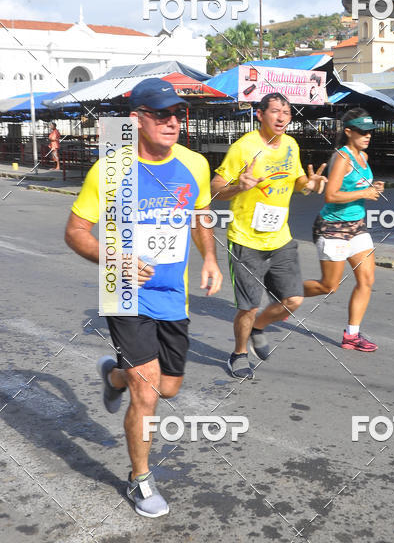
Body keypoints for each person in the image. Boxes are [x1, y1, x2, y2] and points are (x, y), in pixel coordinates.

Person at [64, 78, 222, 519]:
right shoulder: (110, 170)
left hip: (173, 293)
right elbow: (75, 232)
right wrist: (115, 256)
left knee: (169, 387)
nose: (173, 122)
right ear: (137, 120)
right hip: (125, 289)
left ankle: (113, 376)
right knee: (148, 390)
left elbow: (201, 214)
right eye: (161, 114)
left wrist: (209, 257)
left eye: (177, 114)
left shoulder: (194, 164)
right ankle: (140, 479)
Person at [210, 92, 326, 380]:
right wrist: (239, 186)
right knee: (247, 306)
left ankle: (259, 327)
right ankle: (238, 353)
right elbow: (215, 188)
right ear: (260, 114)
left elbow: (297, 181)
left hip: (281, 239)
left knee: (294, 299)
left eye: (286, 112)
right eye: (275, 111)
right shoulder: (244, 148)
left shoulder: (290, 144)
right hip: (246, 240)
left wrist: (308, 184)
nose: (282, 117)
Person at [303, 108, 382, 352]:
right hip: (333, 227)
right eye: (362, 132)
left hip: (357, 227)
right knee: (329, 286)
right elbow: (331, 194)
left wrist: (373, 188)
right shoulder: (343, 157)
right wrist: (364, 193)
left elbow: (359, 188)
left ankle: (352, 335)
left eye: (370, 132)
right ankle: (285, 292)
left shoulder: (364, 157)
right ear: (348, 132)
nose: (367, 136)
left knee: (367, 279)